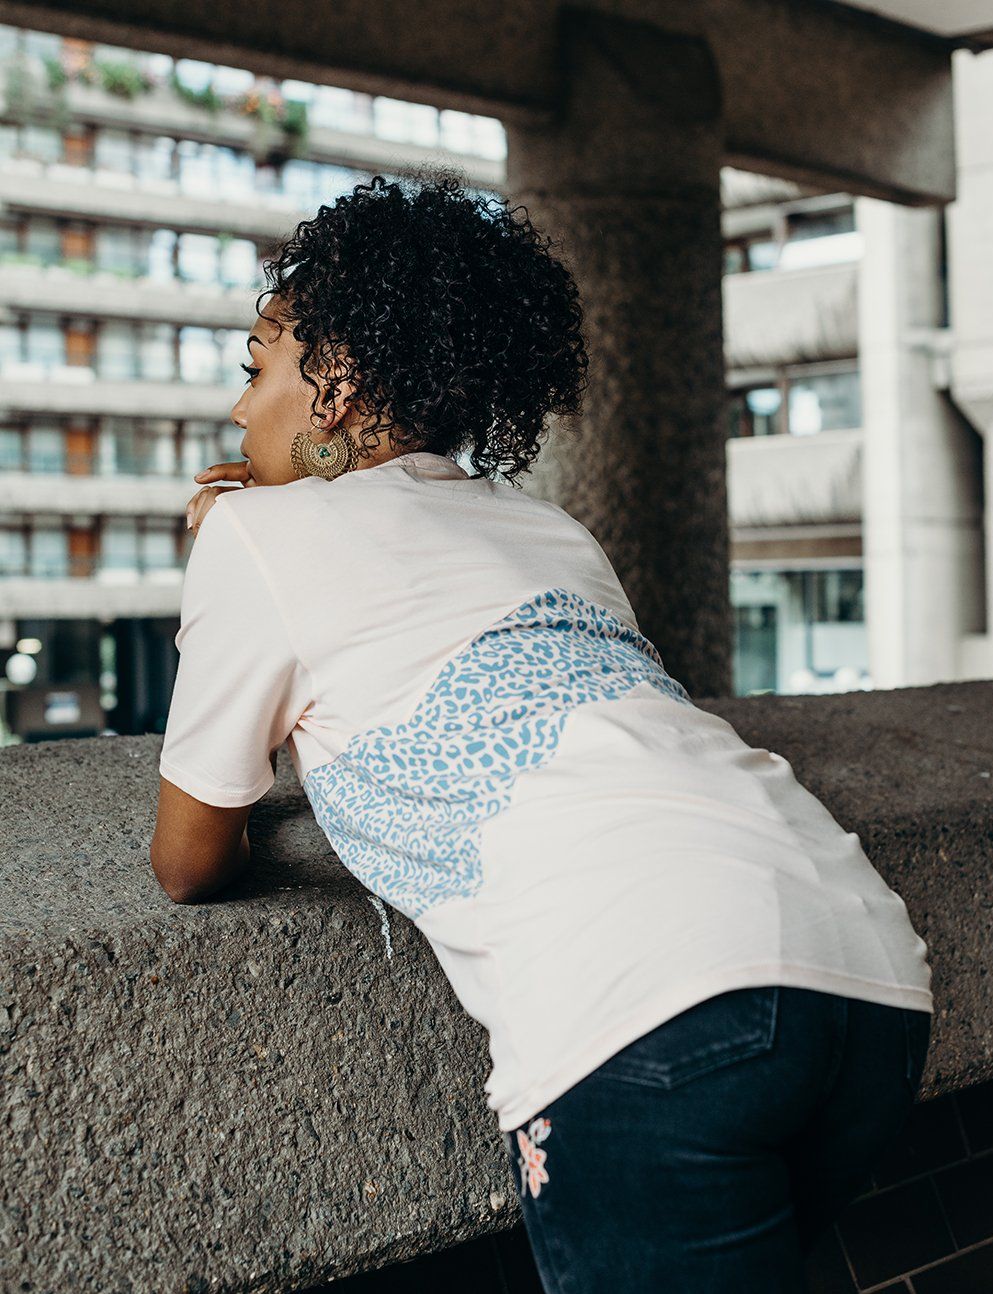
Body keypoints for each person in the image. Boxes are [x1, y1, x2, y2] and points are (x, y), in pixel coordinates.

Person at [150, 168, 933, 1293]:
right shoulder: (551, 532)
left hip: (655, 1018)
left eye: (257, 366)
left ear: (338, 384)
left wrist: (235, 538)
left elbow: (187, 861)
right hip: (866, 977)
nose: (239, 410)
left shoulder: (254, 539)